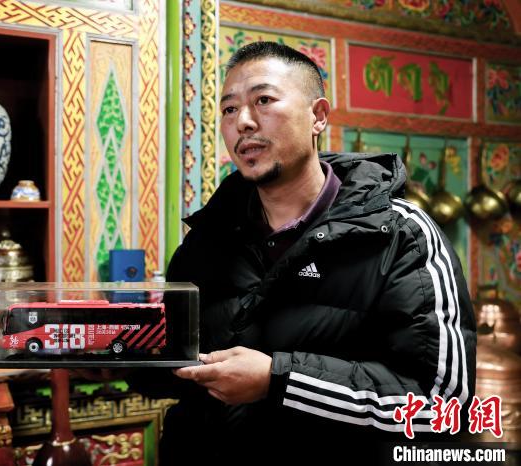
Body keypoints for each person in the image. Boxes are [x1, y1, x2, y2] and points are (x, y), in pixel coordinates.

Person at [129, 41, 477, 465]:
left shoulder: (401, 235)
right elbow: (182, 370)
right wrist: (116, 354)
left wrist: (278, 380)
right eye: (229, 109)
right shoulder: (208, 238)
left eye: (263, 100)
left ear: (318, 116)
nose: (243, 122)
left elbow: (442, 406)